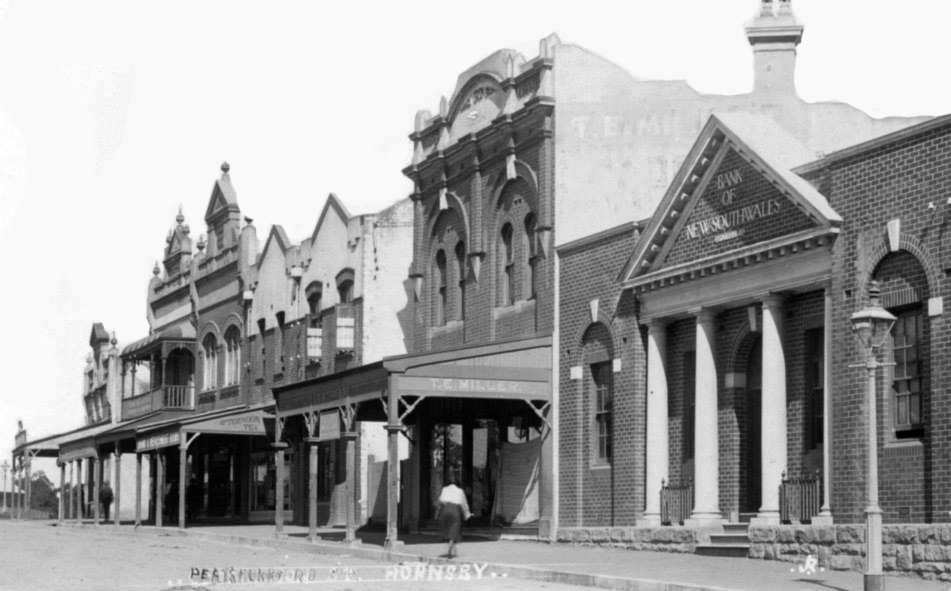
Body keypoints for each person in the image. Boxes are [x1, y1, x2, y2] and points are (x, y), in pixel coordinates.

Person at [436, 476, 471, 559]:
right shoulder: (460, 491)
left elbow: (440, 500)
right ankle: (450, 550)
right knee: (454, 531)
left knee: (447, 530)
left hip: (445, 510)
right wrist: (467, 514)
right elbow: (464, 504)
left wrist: (437, 513)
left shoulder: (444, 489)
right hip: (455, 510)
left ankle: (452, 550)